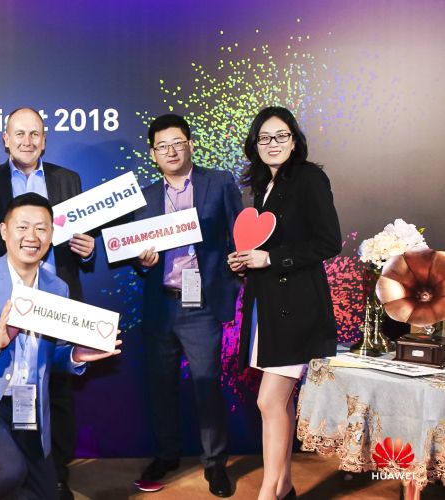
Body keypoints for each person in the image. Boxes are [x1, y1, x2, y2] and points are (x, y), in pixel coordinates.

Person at [0, 192, 120, 500]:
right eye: (22, 227)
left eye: (41, 228)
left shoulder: (57, 287)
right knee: (7, 471)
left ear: (51, 234)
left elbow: (55, 353)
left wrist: (75, 355)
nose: (31, 237)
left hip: (30, 407)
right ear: (4, 231)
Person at [0, 107, 95, 499]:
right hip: (4, 302)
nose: (27, 141)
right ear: (5, 138)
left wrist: (88, 249)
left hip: (57, 299)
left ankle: (55, 473)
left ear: (44, 139)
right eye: (19, 134)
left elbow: (80, 237)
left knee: (58, 391)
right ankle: (0, 471)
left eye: (35, 134)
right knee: (5, 385)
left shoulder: (67, 179)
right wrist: (25, 246)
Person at [228, 106, 341, 500]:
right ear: (255, 145)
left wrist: (271, 259)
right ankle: (285, 487)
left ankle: (268, 493)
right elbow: (265, 246)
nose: (272, 144)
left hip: (298, 310)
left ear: (294, 141)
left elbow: (328, 242)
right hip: (268, 309)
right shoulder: (263, 186)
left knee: (269, 400)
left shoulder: (309, 178)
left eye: (280, 136)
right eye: (264, 138)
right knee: (278, 402)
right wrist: (245, 262)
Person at [133, 114, 242, 497]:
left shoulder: (219, 182)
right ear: (153, 154)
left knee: (206, 385)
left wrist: (237, 269)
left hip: (201, 303)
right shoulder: (145, 196)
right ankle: (167, 455)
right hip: (160, 303)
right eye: (162, 146)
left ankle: (215, 463)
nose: (171, 151)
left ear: (190, 144)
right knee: (160, 385)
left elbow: (239, 235)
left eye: (177, 142)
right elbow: (134, 251)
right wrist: (141, 261)